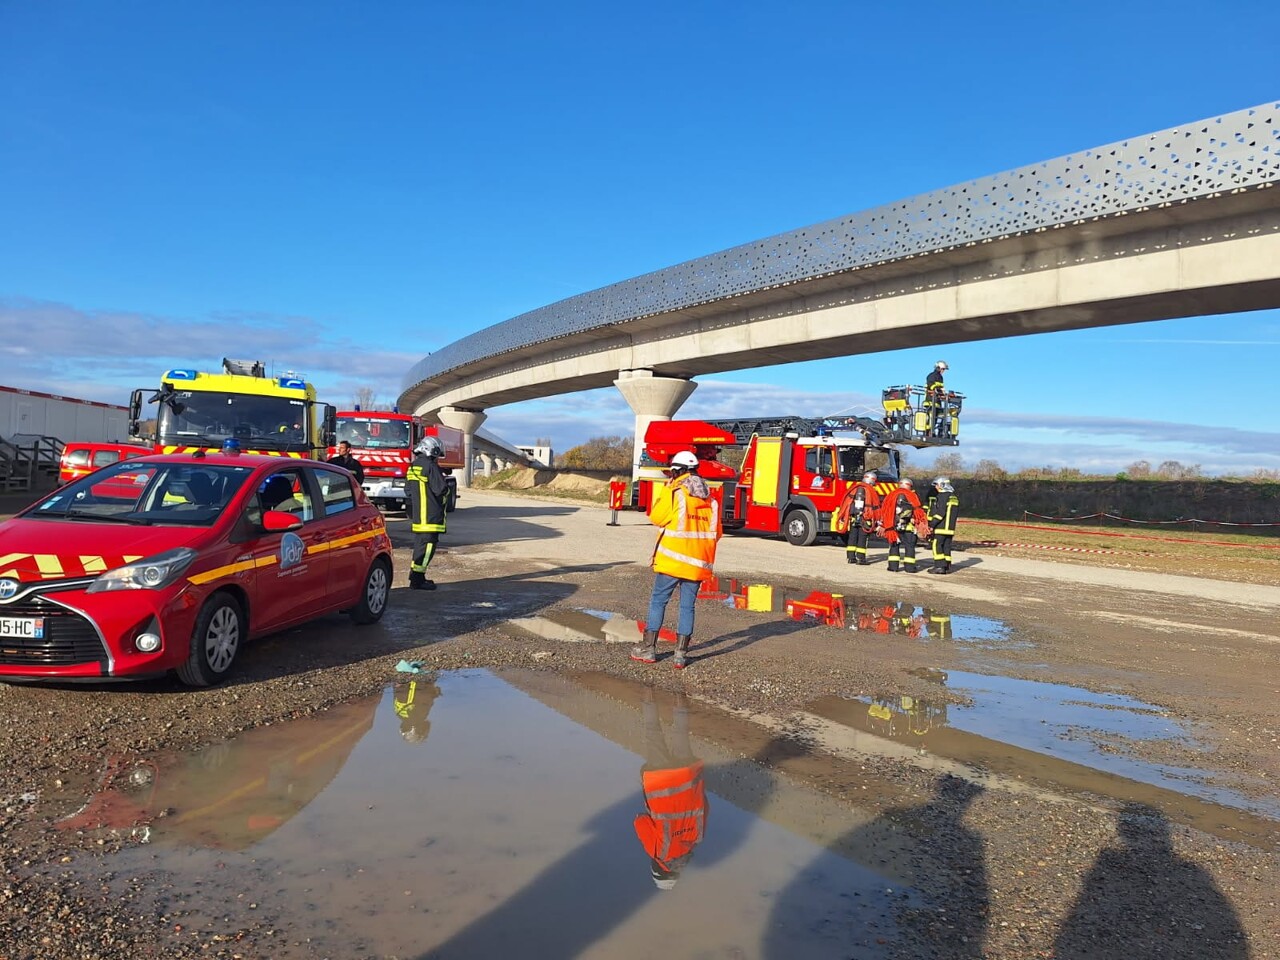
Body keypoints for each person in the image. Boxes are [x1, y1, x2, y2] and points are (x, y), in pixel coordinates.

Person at [630, 450, 721, 669]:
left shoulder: (675, 492)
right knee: (687, 607)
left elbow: (656, 517)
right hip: (697, 563)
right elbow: (716, 533)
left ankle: (649, 649)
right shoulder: (711, 499)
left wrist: (666, 489)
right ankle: (680, 654)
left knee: (658, 601)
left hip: (673, 561)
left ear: (676, 471)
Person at [633, 689, 708, 890]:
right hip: (660, 779)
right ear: (657, 869)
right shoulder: (656, 851)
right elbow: (640, 821)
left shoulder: (696, 840)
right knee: (653, 734)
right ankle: (648, 694)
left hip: (687, 775)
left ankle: (680, 700)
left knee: (681, 737)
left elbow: (704, 806)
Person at [405, 436, 450, 590]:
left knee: (419, 547)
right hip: (431, 516)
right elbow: (441, 489)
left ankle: (416, 576)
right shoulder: (431, 466)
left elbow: (408, 491)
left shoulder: (413, 466)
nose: (437, 456)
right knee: (427, 549)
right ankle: (417, 580)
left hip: (418, 516)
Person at [879, 477, 929, 573]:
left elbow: (885, 510)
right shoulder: (912, 496)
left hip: (892, 526)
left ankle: (893, 567)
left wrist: (884, 524)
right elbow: (917, 510)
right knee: (909, 547)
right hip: (909, 527)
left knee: (894, 546)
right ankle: (909, 568)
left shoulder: (891, 495)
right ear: (910, 486)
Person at [836, 470, 882, 565]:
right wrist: (861, 515)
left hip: (855, 517)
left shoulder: (857, 488)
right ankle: (861, 559)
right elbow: (861, 504)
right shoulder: (865, 489)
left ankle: (851, 557)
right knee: (862, 538)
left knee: (852, 537)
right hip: (864, 517)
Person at [927, 476, 960, 574]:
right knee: (946, 546)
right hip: (950, 528)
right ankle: (947, 566)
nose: (936, 487)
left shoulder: (942, 496)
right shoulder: (953, 496)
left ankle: (939, 566)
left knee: (936, 545)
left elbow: (940, 513)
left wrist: (932, 524)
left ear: (942, 485)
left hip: (941, 527)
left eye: (936, 485)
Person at [392, 678, 440, 743]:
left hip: (412, 682)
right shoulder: (400, 715)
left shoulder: (418, 716)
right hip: (405, 681)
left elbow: (427, 699)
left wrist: (434, 693)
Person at [924, 360, 949, 437]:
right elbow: (932, 386)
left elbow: (940, 388)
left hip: (937, 402)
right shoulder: (931, 376)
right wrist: (939, 390)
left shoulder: (940, 377)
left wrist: (944, 394)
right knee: (930, 418)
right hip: (930, 401)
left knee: (943, 415)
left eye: (944, 369)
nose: (943, 371)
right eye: (943, 369)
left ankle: (940, 432)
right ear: (938, 368)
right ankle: (928, 433)